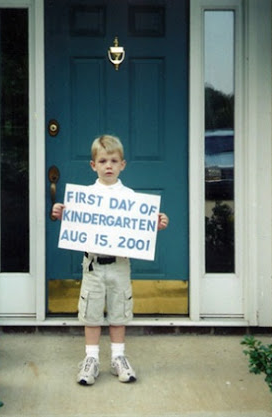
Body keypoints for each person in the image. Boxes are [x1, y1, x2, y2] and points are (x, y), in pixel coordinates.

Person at [51, 134, 169, 386]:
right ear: (93, 165)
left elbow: (138, 226)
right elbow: (76, 223)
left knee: (119, 312)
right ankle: (91, 359)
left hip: (120, 265)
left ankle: (118, 357)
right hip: (93, 265)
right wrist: (62, 213)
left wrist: (155, 224)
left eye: (114, 161)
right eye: (103, 160)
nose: (108, 165)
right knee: (91, 313)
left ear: (122, 165)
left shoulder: (130, 197)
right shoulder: (84, 197)